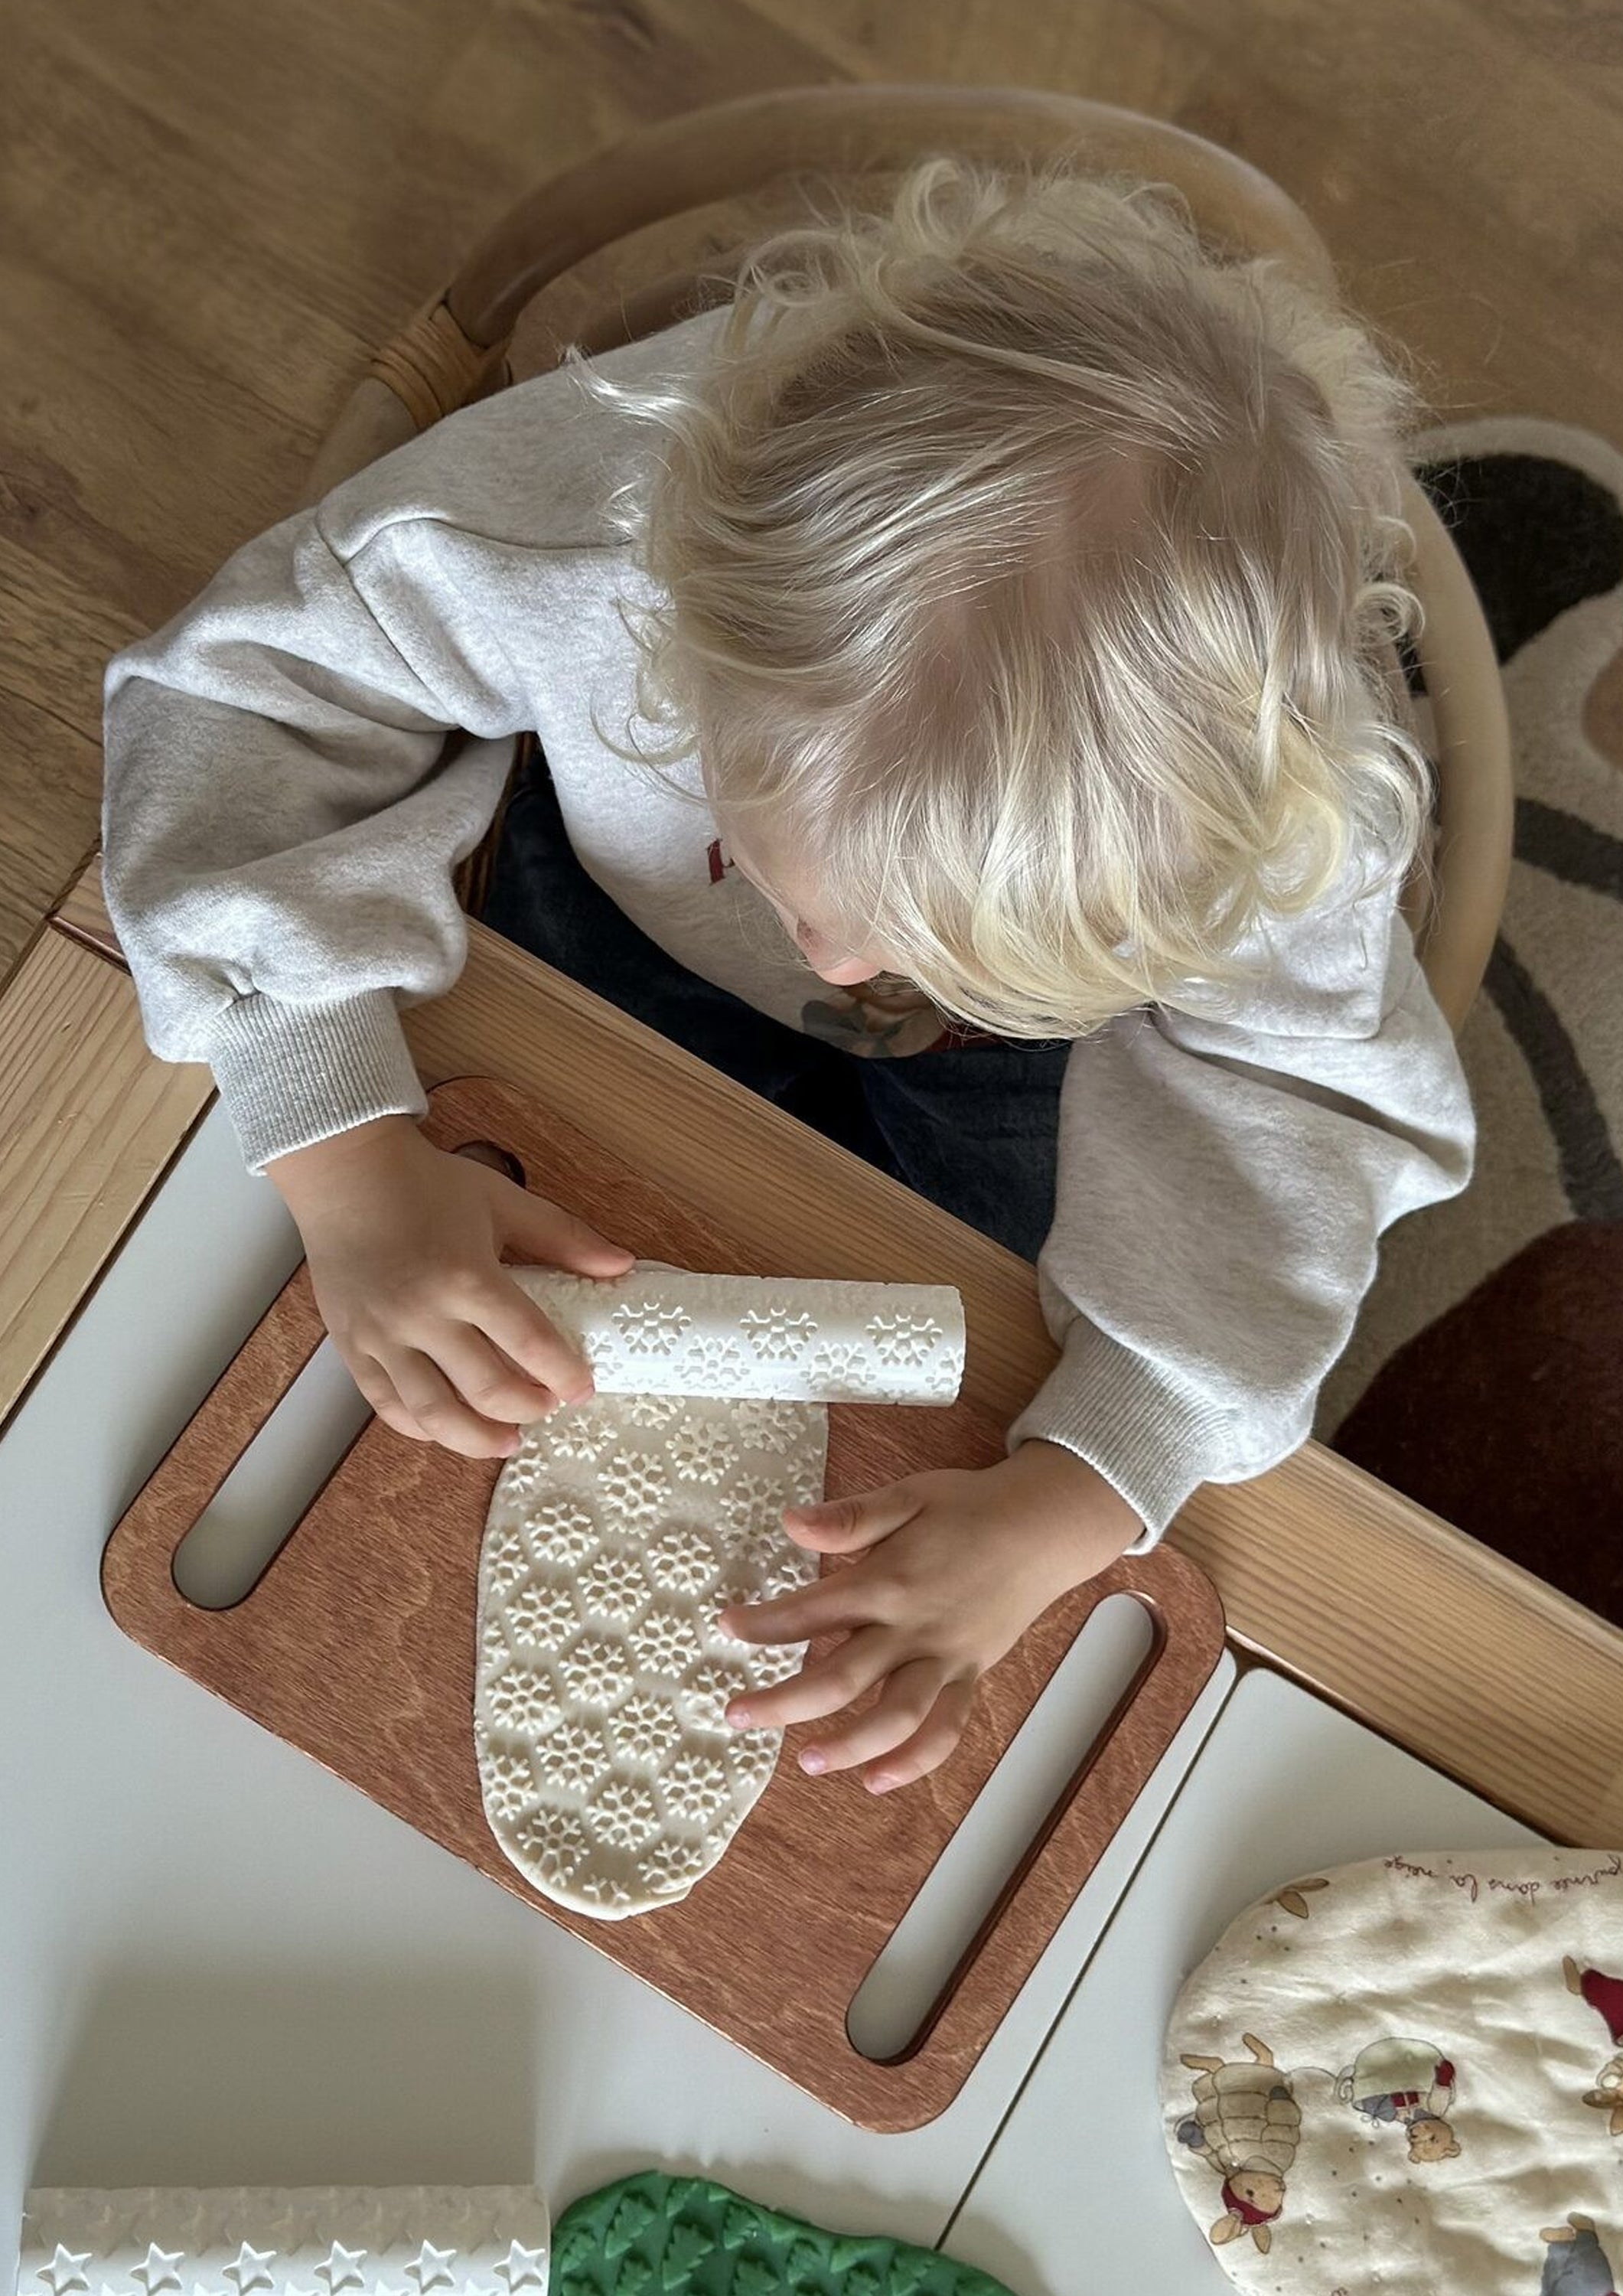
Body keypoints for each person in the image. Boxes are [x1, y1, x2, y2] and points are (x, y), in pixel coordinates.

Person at [100, 158, 1473, 1792]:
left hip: (1029, 1077)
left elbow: (1289, 1117)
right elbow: (248, 704)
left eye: (933, 940)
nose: (840, 964)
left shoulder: (1266, 818)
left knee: (963, 1343)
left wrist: (1083, 1490)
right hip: (621, 925)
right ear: (692, 633)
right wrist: (338, 1155)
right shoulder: (583, 549)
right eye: (794, 876)